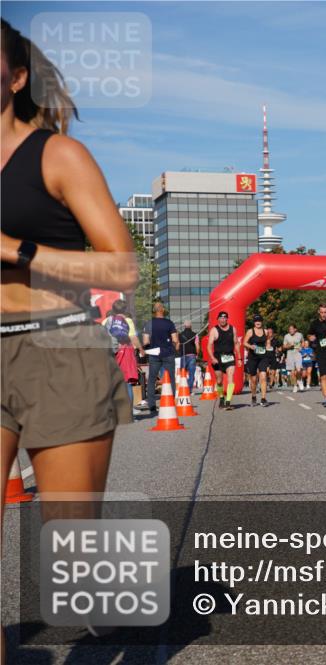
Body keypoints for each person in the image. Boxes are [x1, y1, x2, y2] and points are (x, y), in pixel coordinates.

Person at [1, 22, 138, 654]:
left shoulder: (58, 156)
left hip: (58, 345)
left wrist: (15, 250)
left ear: (16, 77)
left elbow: (121, 267)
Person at [102, 300, 145, 416]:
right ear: (125, 310)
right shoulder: (127, 320)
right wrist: (141, 349)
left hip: (110, 352)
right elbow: (133, 337)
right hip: (125, 351)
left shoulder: (106, 320)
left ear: (113, 309)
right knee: (127, 383)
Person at [142, 301, 179, 414]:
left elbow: (145, 341)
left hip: (154, 354)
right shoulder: (169, 323)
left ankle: (152, 405)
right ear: (162, 310)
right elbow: (175, 340)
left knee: (152, 379)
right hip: (168, 353)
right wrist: (173, 348)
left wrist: (148, 346)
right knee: (171, 378)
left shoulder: (149, 324)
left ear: (154, 311)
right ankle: (171, 401)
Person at [207, 311, 237, 409]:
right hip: (218, 358)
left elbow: (236, 343)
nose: (223, 320)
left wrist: (240, 357)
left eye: (224, 318)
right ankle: (221, 397)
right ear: (218, 319)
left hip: (230, 357)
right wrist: (212, 358)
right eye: (221, 318)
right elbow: (209, 345)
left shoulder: (233, 329)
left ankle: (228, 401)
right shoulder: (214, 330)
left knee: (230, 377)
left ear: (227, 319)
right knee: (219, 381)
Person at [243, 314, 269, 406]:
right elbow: (244, 342)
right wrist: (251, 346)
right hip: (253, 357)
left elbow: (267, 342)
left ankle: (263, 398)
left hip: (263, 357)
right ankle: (254, 396)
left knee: (263, 377)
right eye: (256, 321)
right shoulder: (250, 331)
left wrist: (268, 348)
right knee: (253, 379)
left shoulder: (266, 331)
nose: (258, 322)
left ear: (262, 322)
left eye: (259, 320)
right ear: (254, 322)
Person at [178, 319, 199, 392]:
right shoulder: (195, 335)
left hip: (183, 355)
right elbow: (197, 346)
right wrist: (197, 354)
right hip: (192, 356)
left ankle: (183, 388)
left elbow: (177, 345)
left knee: (182, 373)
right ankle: (189, 390)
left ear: (184, 325)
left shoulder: (179, 335)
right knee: (191, 374)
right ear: (191, 325)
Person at [283, 323, 304, 392]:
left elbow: (303, 342)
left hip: (298, 353)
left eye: (292, 329)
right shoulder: (286, 336)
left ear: (295, 329)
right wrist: (289, 346)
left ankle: (299, 380)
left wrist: (302, 347)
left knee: (298, 370)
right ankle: (295, 385)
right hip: (290, 354)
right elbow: (284, 346)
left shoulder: (299, 335)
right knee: (292, 372)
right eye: (289, 329)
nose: (290, 330)